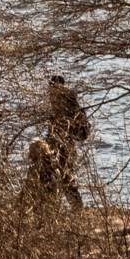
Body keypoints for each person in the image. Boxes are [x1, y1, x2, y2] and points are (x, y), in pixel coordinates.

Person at [44, 75, 93, 207]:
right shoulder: (63, 102)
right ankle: (66, 206)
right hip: (56, 144)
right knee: (55, 177)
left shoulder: (67, 102)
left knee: (65, 178)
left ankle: (76, 206)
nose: (50, 94)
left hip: (65, 146)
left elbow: (72, 127)